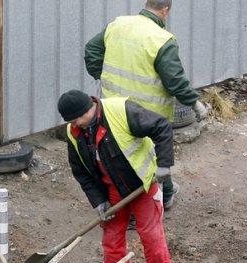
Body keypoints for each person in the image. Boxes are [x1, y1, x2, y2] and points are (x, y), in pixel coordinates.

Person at [57, 89, 173, 263]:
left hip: (142, 183)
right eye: (71, 121)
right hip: (112, 191)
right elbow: (81, 172)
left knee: (151, 236)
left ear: (88, 109)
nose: (75, 124)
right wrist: (99, 201)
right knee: (112, 241)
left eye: (77, 119)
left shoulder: (122, 111)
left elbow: (161, 127)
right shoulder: (74, 132)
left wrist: (164, 165)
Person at [84, 0, 207, 210]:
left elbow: (92, 51)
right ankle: (162, 195)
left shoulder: (118, 24)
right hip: (149, 112)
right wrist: (194, 103)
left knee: (121, 152)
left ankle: (146, 195)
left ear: (146, 4)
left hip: (113, 107)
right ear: (165, 11)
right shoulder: (162, 40)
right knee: (153, 156)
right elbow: (174, 80)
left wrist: (101, 76)